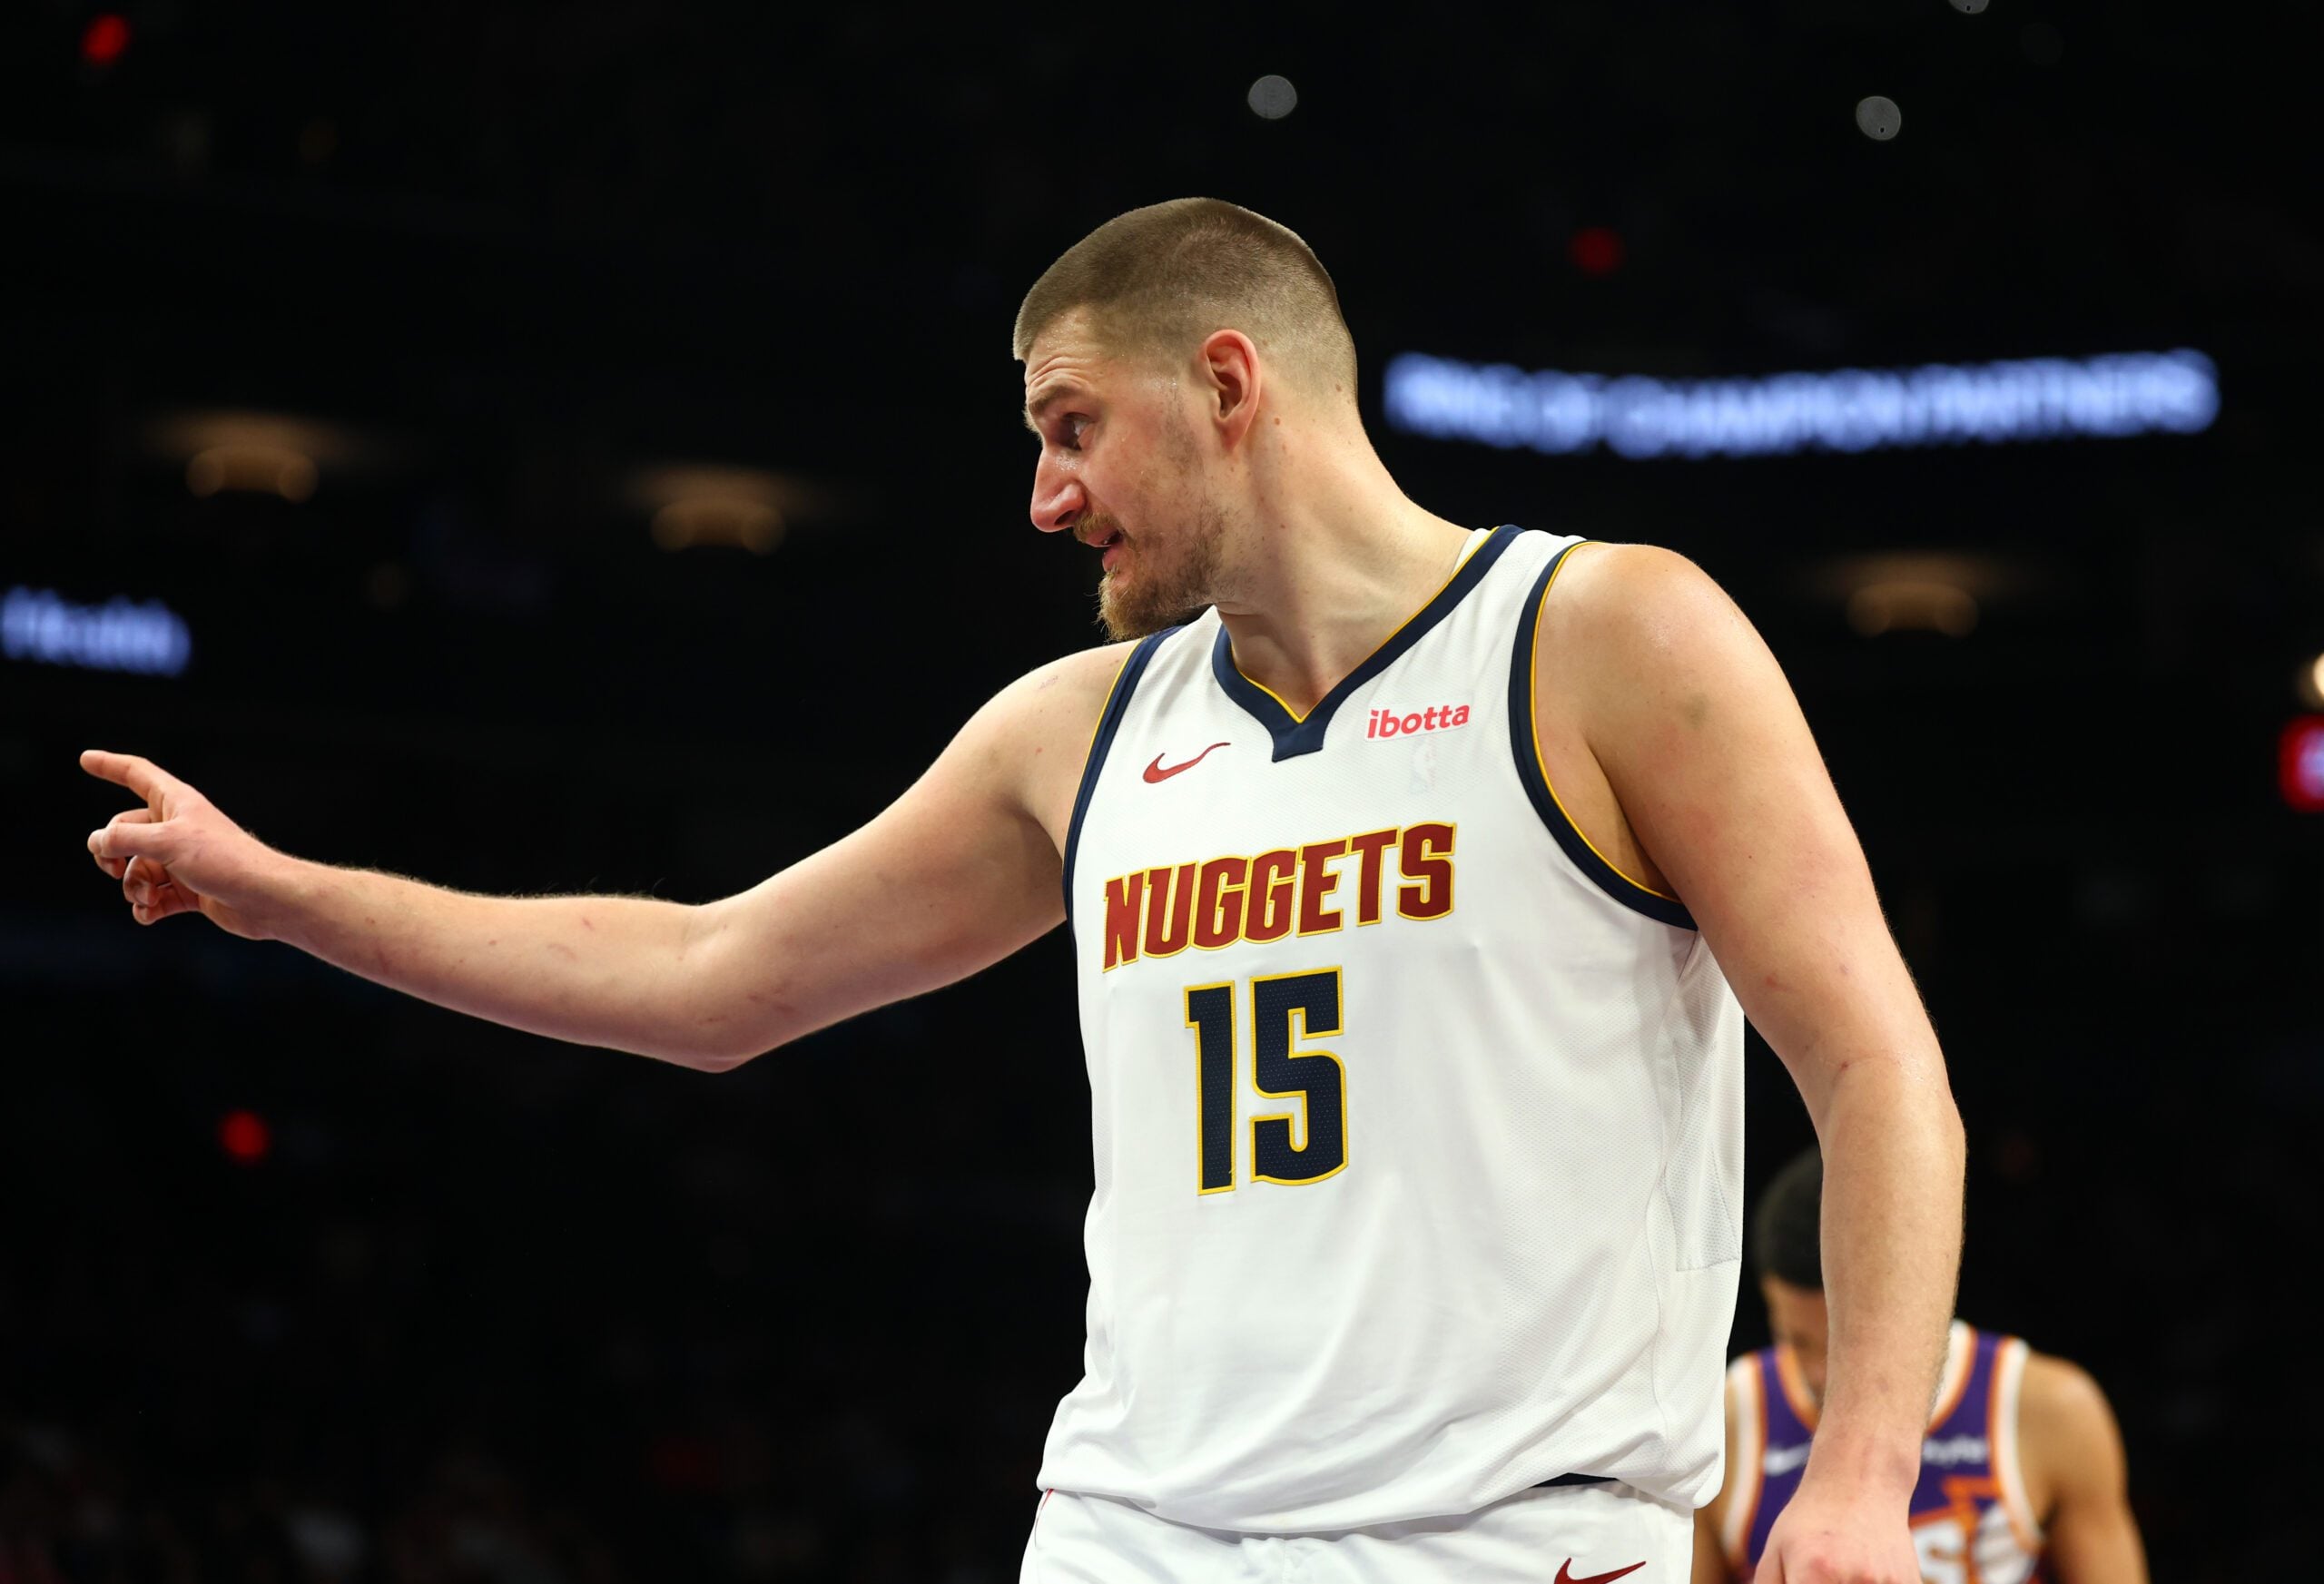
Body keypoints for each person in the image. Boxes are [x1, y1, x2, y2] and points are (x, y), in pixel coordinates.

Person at [82, 198, 1965, 1582]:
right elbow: (709, 970)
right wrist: (295, 895)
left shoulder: (1608, 634)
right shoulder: (1075, 732)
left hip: (1512, 1542)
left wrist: (1860, 1466)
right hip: (1132, 1533)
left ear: (1226, 382)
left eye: (1069, 425)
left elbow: (1874, 1061)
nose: (1046, 496)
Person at [1695, 1147, 2148, 1584]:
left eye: (1843, 1345)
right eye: (1796, 1340)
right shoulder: (1726, 1421)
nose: (1819, 1373)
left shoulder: (2046, 1408)